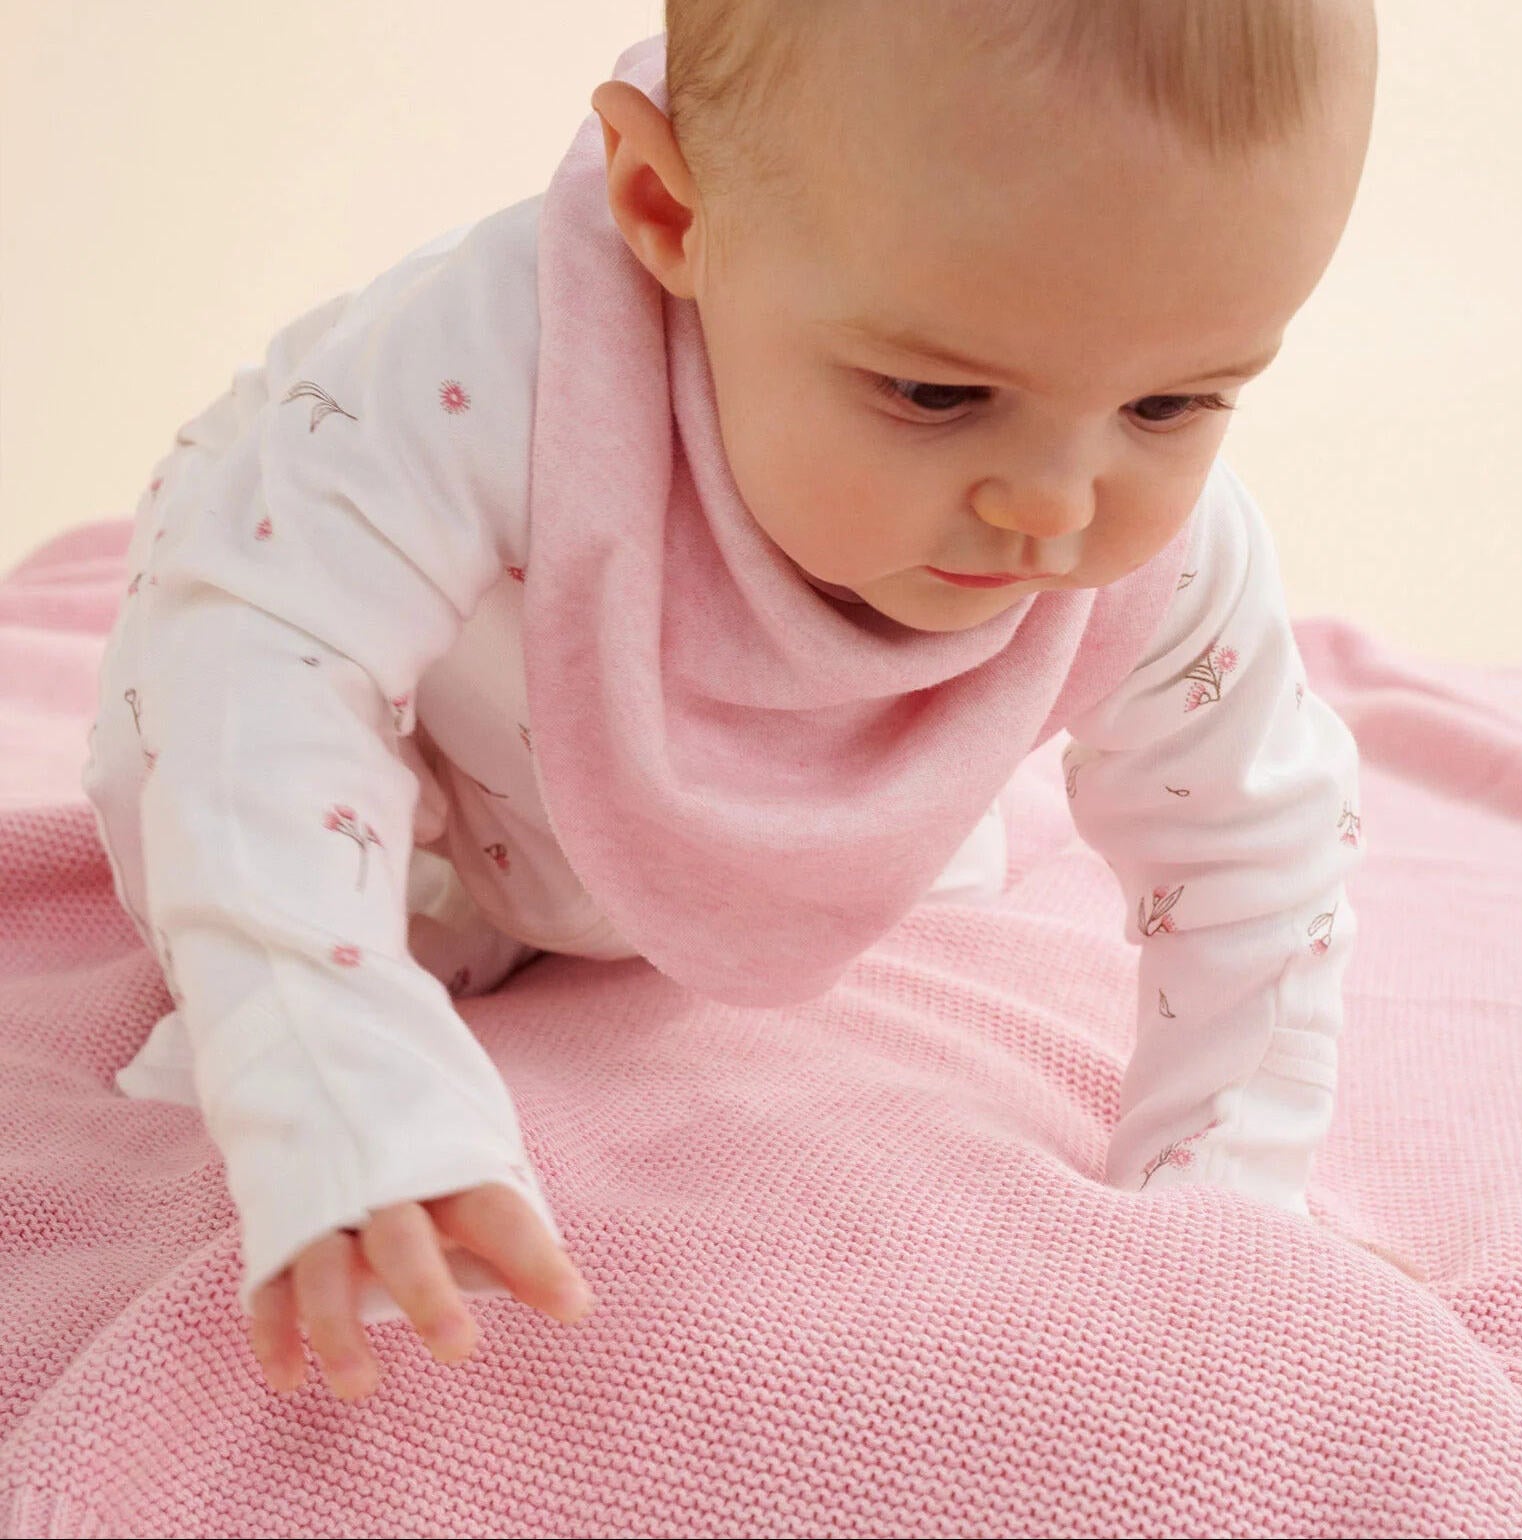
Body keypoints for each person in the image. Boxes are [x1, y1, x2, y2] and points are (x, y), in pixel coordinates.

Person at [82, 1, 1383, 1403]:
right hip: (429, 748)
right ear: (668, 209)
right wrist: (331, 1073)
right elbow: (264, 676)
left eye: (1177, 408)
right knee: (199, 676)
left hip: (657, 785)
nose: (1054, 506)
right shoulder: (488, 370)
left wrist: (1221, 1223)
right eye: (937, 392)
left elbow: (1259, 855)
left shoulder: (1164, 549)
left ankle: (783, 803)